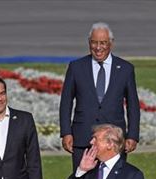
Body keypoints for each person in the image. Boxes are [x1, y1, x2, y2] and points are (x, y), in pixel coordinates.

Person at [59, 22, 141, 169]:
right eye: (94, 42)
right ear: (89, 42)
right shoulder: (76, 67)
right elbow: (66, 102)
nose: (98, 47)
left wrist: (133, 135)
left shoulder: (125, 69)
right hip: (83, 138)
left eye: (103, 43)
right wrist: (66, 132)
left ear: (111, 43)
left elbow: (133, 105)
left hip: (113, 141)